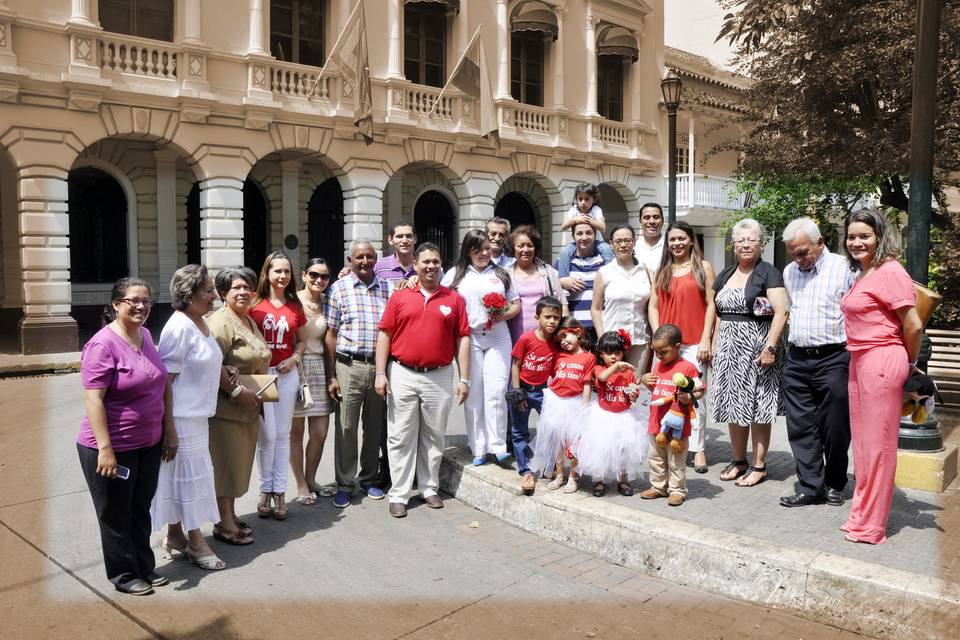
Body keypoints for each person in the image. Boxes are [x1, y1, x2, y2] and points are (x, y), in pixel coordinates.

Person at [77, 277, 173, 596]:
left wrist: (167, 430)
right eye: (133, 300)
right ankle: (124, 573)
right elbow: (94, 399)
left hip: (148, 442)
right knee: (116, 511)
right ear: (116, 304)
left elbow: (161, 385)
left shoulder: (145, 334)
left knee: (140, 506)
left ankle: (144, 565)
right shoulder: (102, 344)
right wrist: (106, 449)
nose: (141, 306)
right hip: (112, 446)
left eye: (146, 300)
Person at [840, 209, 922, 544]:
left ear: (880, 237)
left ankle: (872, 526)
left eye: (864, 236)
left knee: (878, 445)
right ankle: (859, 516)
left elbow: (913, 323)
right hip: (859, 360)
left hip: (882, 360)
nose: (856, 242)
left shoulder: (890, 271)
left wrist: (911, 365)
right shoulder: (863, 273)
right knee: (862, 446)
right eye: (852, 236)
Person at [374, 243, 471, 518]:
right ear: (414, 265)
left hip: (439, 375)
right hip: (402, 373)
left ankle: (429, 488)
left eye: (436, 262)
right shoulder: (400, 296)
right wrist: (380, 373)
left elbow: (462, 338)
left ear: (442, 265)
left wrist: (465, 379)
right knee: (400, 435)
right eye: (425, 262)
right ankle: (399, 493)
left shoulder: (453, 299)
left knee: (433, 435)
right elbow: (385, 334)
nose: (431, 267)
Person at [151, 265, 226, 571]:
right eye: (208, 290)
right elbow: (164, 382)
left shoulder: (200, 322)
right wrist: (168, 428)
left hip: (197, 416)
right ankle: (196, 542)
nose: (214, 295)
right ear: (189, 295)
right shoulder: (179, 326)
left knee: (183, 479)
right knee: (190, 481)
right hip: (181, 418)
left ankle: (174, 536)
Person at [779, 217, 855, 508]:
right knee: (800, 426)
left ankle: (836, 482)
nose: (798, 260)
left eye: (802, 253)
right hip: (798, 358)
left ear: (820, 242)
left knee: (835, 426)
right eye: (793, 254)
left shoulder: (844, 268)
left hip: (834, 357)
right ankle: (811, 487)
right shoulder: (790, 272)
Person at [711, 218, 789, 488]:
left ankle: (758, 465)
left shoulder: (769, 272)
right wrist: (713, 343)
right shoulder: (725, 273)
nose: (745, 245)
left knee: (758, 407)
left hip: (757, 350)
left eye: (751, 240)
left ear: (762, 244)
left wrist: (770, 347)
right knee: (734, 404)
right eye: (741, 240)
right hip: (729, 349)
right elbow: (720, 313)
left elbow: (782, 311)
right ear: (734, 244)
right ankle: (738, 461)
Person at [441, 229, 521, 466]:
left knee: (496, 392)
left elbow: (515, 304)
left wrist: (503, 314)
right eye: (479, 249)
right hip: (470, 339)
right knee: (474, 394)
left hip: (498, 337)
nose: (485, 253)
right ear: (468, 250)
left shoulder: (501, 273)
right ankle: (478, 448)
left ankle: (498, 447)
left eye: (488, 248)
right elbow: (442, 297)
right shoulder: (456, 274)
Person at [324, 239, 393, 508]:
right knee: (346, 426)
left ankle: (369, 479)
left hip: (378, 368)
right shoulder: (338, 289)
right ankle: (344, 483)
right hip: (348, 366)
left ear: (376, 259)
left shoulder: (388, 289)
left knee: (374, 425)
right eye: (359, 257)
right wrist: (332, 376)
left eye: (369, 256)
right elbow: (330, 335)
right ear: (350, 261)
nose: (364, 261)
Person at [648, 221, 717, 474]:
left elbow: (712, 304)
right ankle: (667, 441)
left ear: (690, 240)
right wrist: (658, 337)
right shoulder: (662, 270)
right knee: (666, 394)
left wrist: (707, 339)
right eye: (672, 240)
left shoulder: (703, 267)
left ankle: (698, 449)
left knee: (694, 396)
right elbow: (653, 306)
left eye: (681, 239)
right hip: (667, 346)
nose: (676, 244)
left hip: (694, 343)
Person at [208, 266, 270, 545]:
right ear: (223, 293)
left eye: (247, 287)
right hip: (227, 410)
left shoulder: (247, 320)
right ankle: (223, 523)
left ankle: (230, 514)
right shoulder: (221, 321)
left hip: (248, 408)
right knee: (226, 467)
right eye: (236, 288)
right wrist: (234, 390)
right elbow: (210, 363)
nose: (243, 292)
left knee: (238, 466)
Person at [250, 251, 308, 520]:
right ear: (267, 273)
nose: (282, 276)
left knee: (283, 434)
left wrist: (295, 359)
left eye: (286, 271)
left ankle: (279, 491)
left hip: (286, 374)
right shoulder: (254, 303)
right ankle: (265, 488)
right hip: (262, 376)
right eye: (277, 271)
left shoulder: (295, 305)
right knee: (268, 435)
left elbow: (302, 341)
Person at [640, 324, 706, 507]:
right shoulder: (658, 366)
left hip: (678, 426)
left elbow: (700, 390)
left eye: (664, 352)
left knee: (676, 459)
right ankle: (658, 486)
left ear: (677, 347)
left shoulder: (688, 368)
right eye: (656, 352)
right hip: (657, 422)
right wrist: (645, 380)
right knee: (656, 457)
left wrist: (689, 397)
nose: (659, 356)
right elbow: (655, 388)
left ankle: (677, 489)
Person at [577, 330, 647, 497]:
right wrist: (616, 367)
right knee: (601, 449)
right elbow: (601, 378)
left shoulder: (628, 373)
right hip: (603, 416)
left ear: (623, 352)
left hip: (623, 417)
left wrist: (632, 394)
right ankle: (599, 480)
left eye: (617, 353)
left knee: (623, 449)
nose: (614, 357)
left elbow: (633, 395)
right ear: (601, 353)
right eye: (609, 353)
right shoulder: (600, 368)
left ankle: (622, 479)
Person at [530, 317, 595, 493]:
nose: (564, 342)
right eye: (561, 340)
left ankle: (573, 477)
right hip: (556, 401)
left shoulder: (588, 357)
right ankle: (559, 474)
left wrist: (585, 405)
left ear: (578, 332)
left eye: (566, 336)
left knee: (573, 443)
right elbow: (551, 376)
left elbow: (588, 383)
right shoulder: (559, 356)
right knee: (557, 441)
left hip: (575, 402)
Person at [507, 296, 562, 494]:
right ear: (537, 317)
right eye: (547, 317)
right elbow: (516, 364)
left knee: (550, 428)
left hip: (541, 392)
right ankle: (526, 471)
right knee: (519, 432)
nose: (552, 321)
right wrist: (518, 392)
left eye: (556, 317)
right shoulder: (526, 338)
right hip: (522, 389)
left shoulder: (556, 344)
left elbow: (556, 371)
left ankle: (551, 466)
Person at [291, 258, 335, 504]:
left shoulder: (329, 302)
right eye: (314, 275)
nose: (319, 280)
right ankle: (300, 485)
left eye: (325, 276)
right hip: (297, 367)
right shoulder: (293, 301)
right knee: (295, 433)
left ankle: (311, 478)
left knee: (319, 433)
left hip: (321, 368)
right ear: (304, 275)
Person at [591, 224, 653, 370]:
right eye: (618, 241)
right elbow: (596, 308)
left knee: (632, 387)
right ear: (611, 244)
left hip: (640, 339)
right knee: (612, 385)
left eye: (627, 240)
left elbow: (652, 306)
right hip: (612, 342)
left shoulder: (646, 270)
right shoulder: (605, 272)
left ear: (634, 242)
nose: (623, 245)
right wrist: (602, 338)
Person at [507, 225, 567, 343]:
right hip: (513, 338)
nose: (525, 250)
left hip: (545, 338)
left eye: (530, 245)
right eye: (520, 246)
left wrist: (565, 331)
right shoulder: (506, 274)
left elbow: (562, 303)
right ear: (514, 248)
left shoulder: (547, 271)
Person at [559, 222, 609, 338]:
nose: (584, 237)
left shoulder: (605, 261)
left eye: (588, 233)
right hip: (574, 327)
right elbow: (552, 287)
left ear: (595, 235)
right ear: (573, 237)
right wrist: (560, 281)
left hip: (601, 326)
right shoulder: (563, 262)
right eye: (579, 233)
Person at [556, 183, 614, 277]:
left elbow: (602, 227)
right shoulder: (573, 211)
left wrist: (590, 220)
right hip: (577, 243)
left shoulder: (596, 210)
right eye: (580, 199)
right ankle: (563, 276)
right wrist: (574, 220)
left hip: (597, 242)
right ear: (576, 199)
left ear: (593, 199)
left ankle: (612, 276)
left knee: (607, 249)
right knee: (565, 252)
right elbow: (563, 226)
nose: (583, 202)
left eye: (587, 199)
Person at [634, 203, 666, 273]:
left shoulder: (670, 246)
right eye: (647, 217)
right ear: (640, 221)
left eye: (656, 217)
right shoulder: (633, 247)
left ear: (663, 220)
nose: (651, 221)